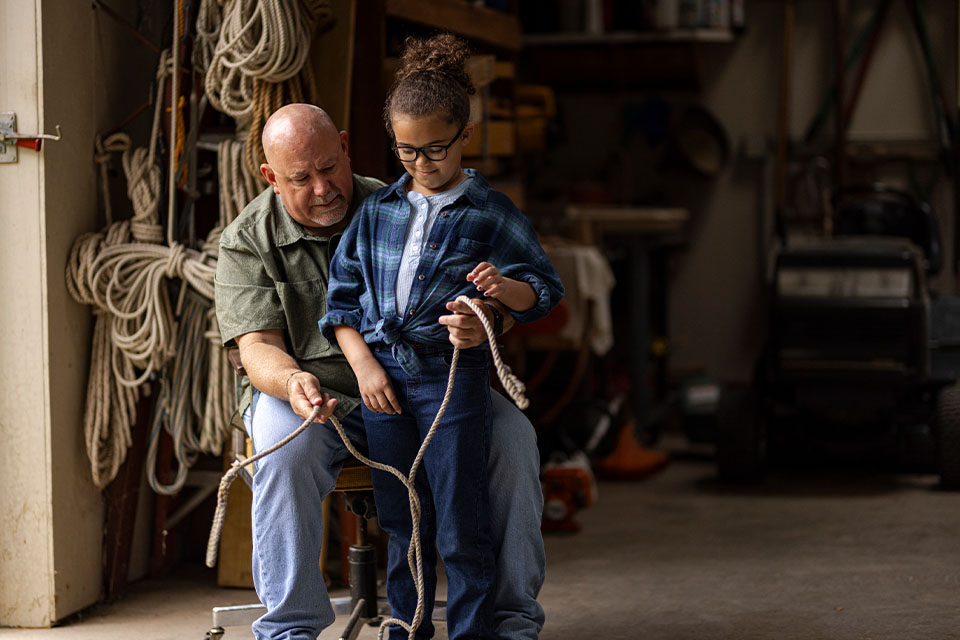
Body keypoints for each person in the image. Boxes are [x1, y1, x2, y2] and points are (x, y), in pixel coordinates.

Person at [214, 101, 548, 640]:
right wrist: (293, 382)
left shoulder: (403, 202)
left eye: (329, 167)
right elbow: (257, 348)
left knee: (514, 443)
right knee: (283, 450)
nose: (323, 188)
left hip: (429, 385)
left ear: (346, 146)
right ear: (271, 177)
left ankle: (511, 621)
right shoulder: (246, 239)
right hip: (314, 399)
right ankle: (289, 628)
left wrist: (489, 315)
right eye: (301, 178)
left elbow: (499, 289)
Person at [318, 33, 563, 640]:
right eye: (405, 152)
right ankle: (406, 626)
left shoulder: (490, 211)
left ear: (464, 137)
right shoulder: (376, 212)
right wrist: (366, 369)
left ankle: (473, 631)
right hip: (382, 384)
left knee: (459, 517)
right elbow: (340, 305)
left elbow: (545, 289)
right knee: (403, 517)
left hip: (450, 381)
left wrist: (501, 294)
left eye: (434, 150)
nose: (421, 165)